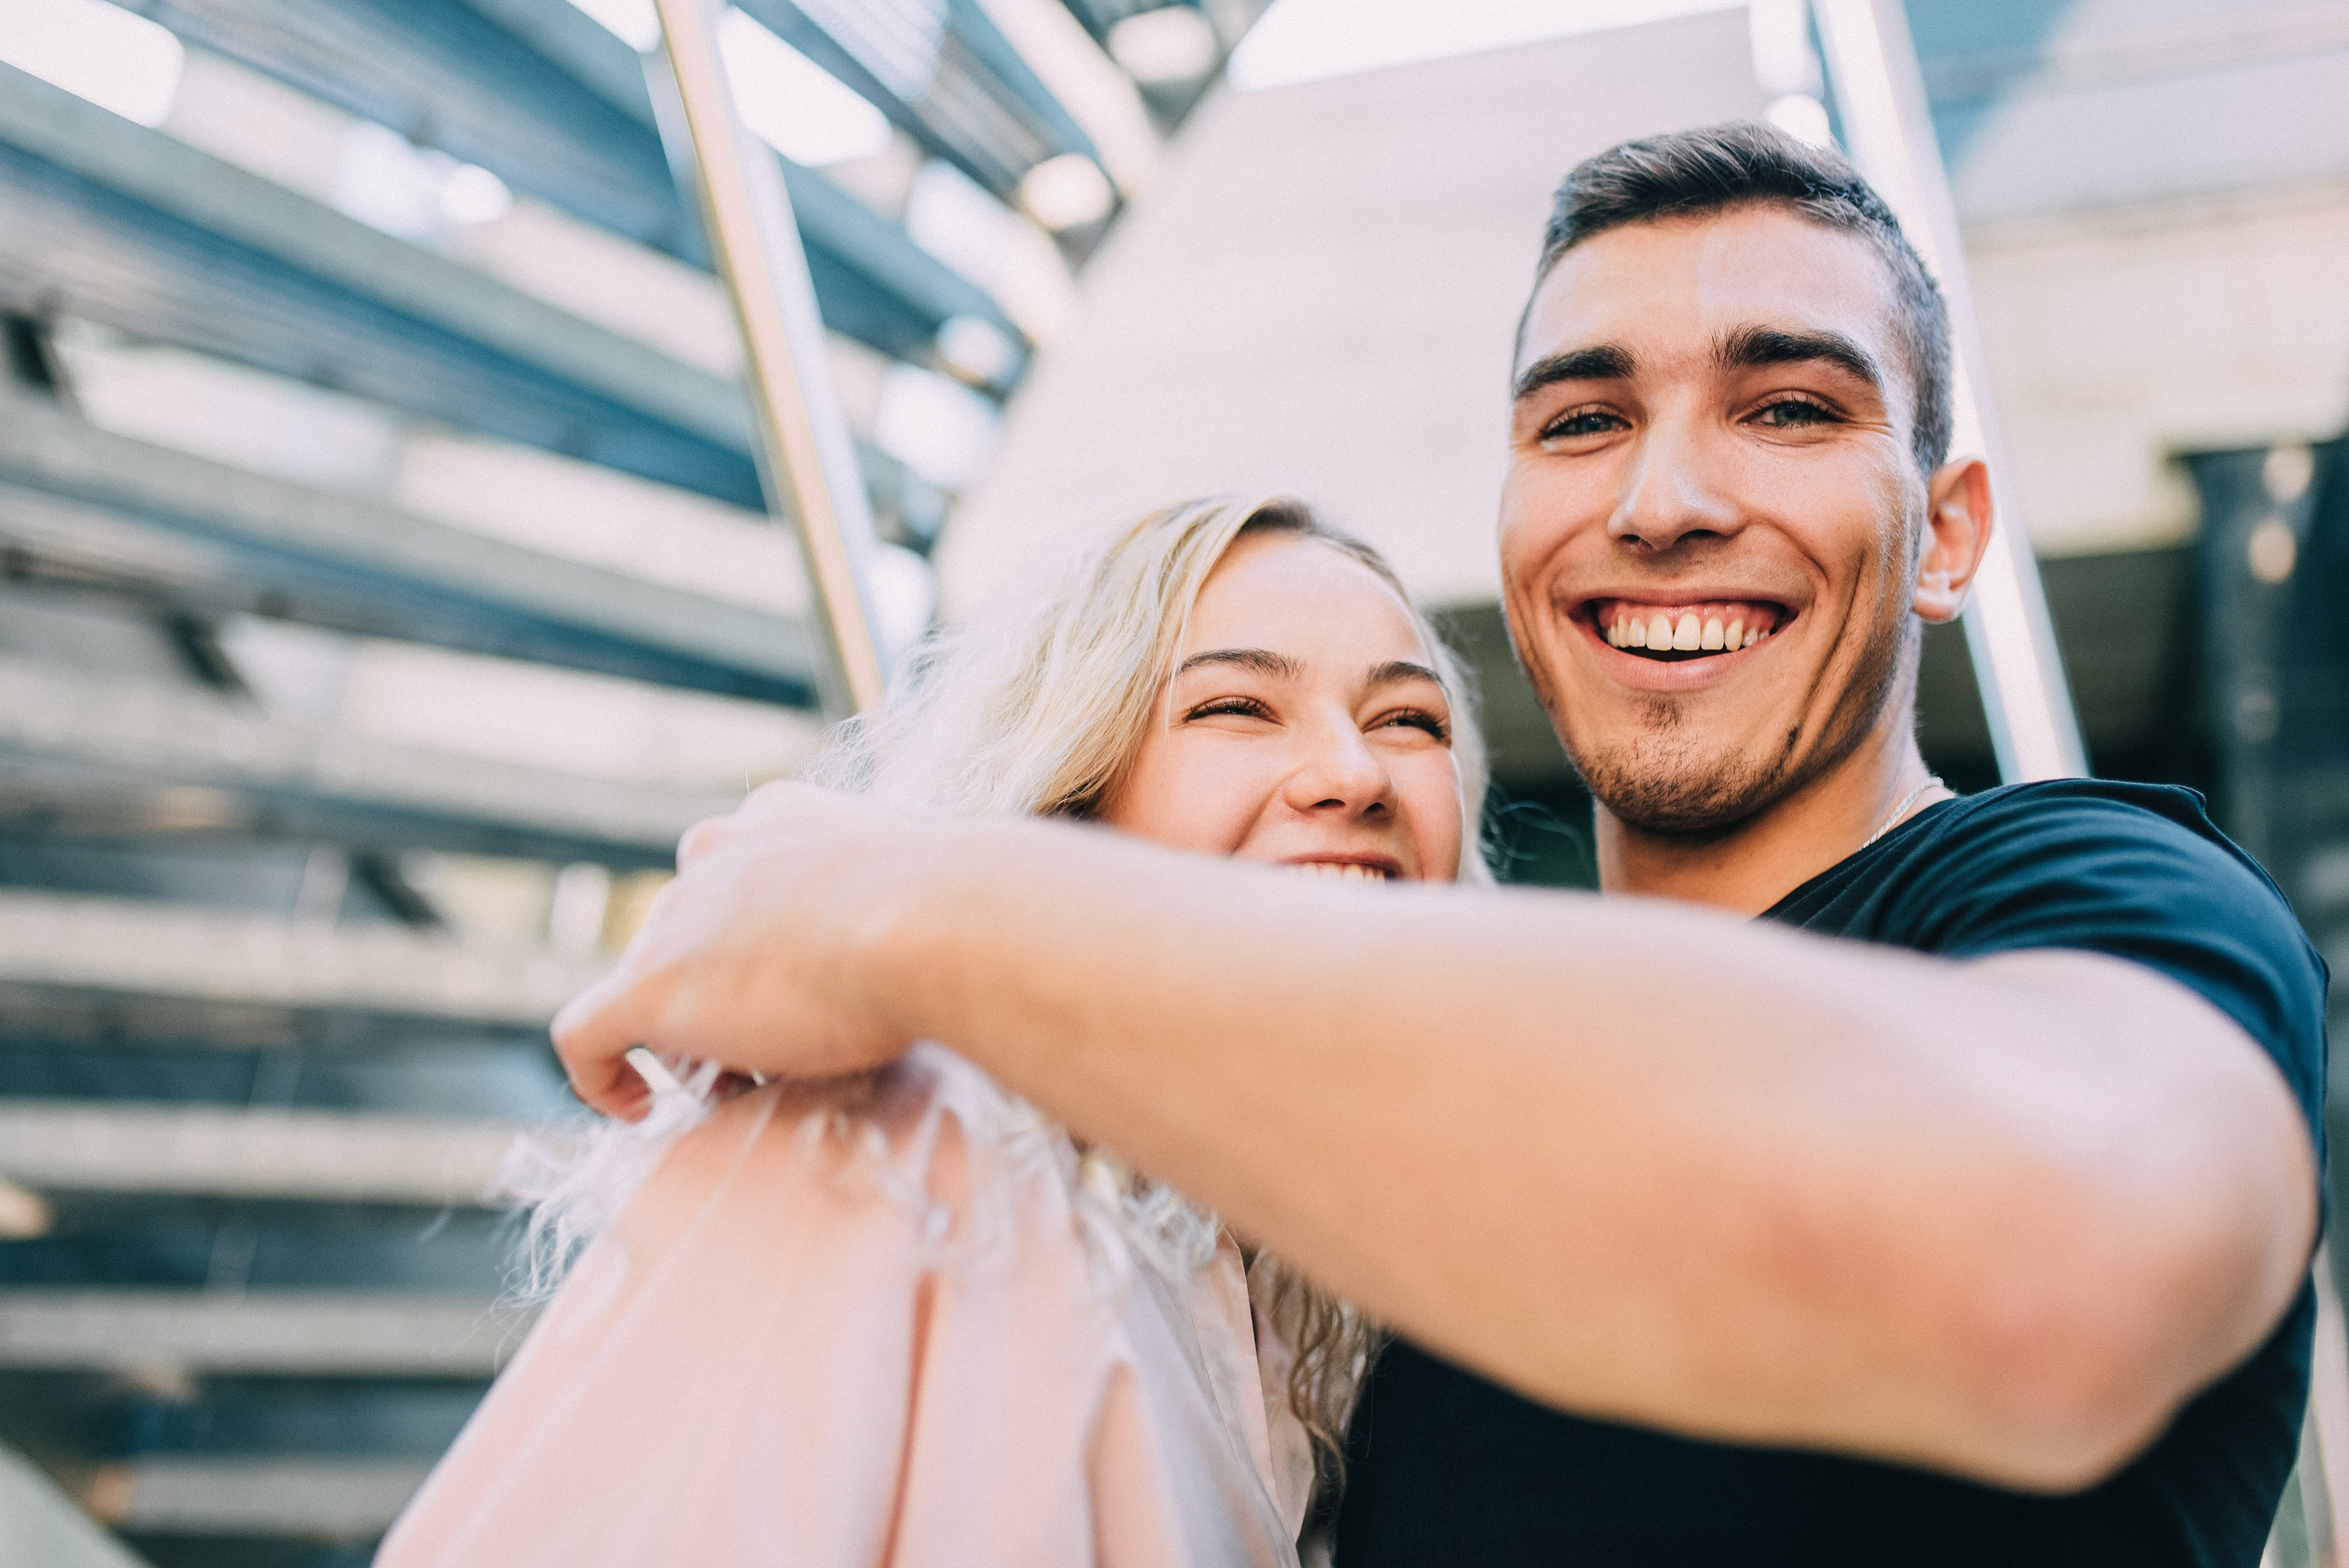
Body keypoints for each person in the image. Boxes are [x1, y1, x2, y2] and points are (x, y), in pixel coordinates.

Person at [551, 123, 2330, 1566]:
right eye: (1579, 419)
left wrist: (905, 896)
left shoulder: (2091, 896)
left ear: (1944, 536)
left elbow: (2052, 1261)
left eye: (1785, 404)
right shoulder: (1355, 1228)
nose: (1659, 497)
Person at [377, 496, 1490, 1567]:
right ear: (1072, 793)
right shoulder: (894, 1141)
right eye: (1235, 707)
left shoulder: (1313, 1322)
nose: (1354, 773)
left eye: (1407, 719)